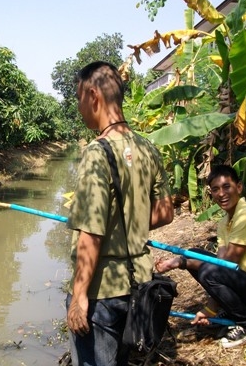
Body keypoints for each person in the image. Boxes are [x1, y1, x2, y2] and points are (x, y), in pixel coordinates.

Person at [65, 61, 174, 366]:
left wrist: (79, 297)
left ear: (93, 94)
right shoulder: (148, 148)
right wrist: (131, 223)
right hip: (139, 284)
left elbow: (92, 233)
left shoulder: (97, 152)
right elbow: (166, 212)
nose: (79, 106)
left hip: (103, 290)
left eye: (78, 98)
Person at [156, 164, 246, 348]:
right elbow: (219, 263)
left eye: (226, 187)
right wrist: (179, 262)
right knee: (197, 255)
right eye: (215, 189)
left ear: (238, 187)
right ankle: (234, 311)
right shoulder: (225, 222)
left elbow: (225, 265)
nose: (221, 194)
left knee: (208, 270)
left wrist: (180, 263)